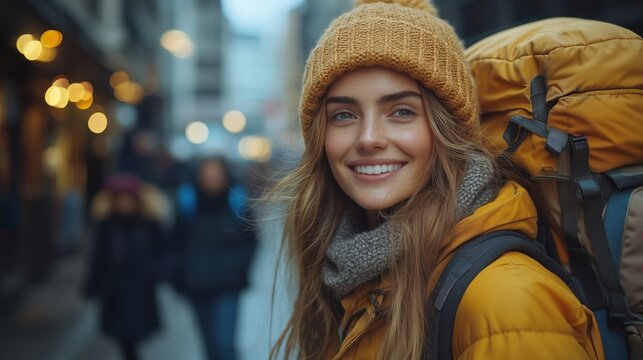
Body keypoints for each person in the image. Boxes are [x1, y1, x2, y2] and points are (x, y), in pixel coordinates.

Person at [267, 0, 604, 359]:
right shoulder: (351, 272)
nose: (368, 138)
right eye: (344, 115)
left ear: (448, 130)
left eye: (401, 111)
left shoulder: (506, 299)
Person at [172, 156, 257, 360]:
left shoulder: (236, 202)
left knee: (225, 343)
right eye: (207, 174)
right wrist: (178, 274)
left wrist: (238, 267)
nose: (211, 178)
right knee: (209, 344)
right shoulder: (187, 203)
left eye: (216, 173)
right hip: (196, 284)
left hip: (228, 284)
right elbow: (173, 243)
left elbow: (251, 240)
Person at [83, 173, 165, 360]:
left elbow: (161, 250)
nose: (124, 203)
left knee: (136, 332)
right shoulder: (107, 225)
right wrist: (93, 285)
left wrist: (156, 271)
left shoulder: (148, 223)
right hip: (115, 290)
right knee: (123, 336)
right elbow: (99, 257)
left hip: (140, 288)